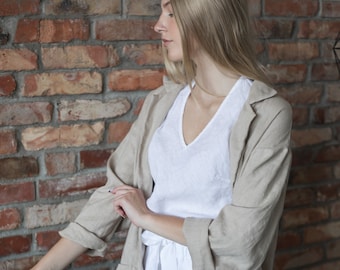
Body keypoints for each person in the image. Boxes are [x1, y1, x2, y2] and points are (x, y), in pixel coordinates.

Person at [31, 0, 292, 269]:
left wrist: (146, 218)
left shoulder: (266, 114)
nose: (158, 25)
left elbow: (242, 238)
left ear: (209, 17)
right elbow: (115, 194)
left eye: (171, 13)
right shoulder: (163, 102)